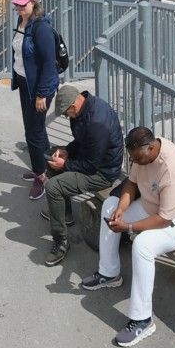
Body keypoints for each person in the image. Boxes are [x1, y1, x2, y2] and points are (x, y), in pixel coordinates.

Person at [83, 125, 175, 348]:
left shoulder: (172, 168)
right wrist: (121, 208)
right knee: (110, 207)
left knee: (142, 245)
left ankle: (142, 320)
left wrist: (129, 227)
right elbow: (130, 183)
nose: (135, 162)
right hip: (153, 207)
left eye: (138, 158)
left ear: (151, 148)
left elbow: (164, 219)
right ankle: (109, 274)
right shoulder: (141, 154)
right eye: (133, 159)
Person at [35, 85, 124, 265]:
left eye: (66, 114)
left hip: (102, 173)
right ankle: (65, 213)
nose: (67, 117)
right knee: (51, 156)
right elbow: (82, 141)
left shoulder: (97, 123)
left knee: (53, 187)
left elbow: (91, 165)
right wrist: (66, 151)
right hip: (91, 159)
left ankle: (61, 242)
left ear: (73, 106)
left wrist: (66, 164)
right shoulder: (85, 108)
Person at [10, 0, 68, 184]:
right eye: (16, 5)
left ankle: (41, 175)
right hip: (25, 82)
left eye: (22, 5)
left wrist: (42, 94)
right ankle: (46, 167)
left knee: (33, 133)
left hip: (38, 88)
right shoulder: (22, 20)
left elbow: (48, 64)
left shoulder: (41, 28)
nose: (18, 8)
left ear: (33, 2)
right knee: (36, 129)